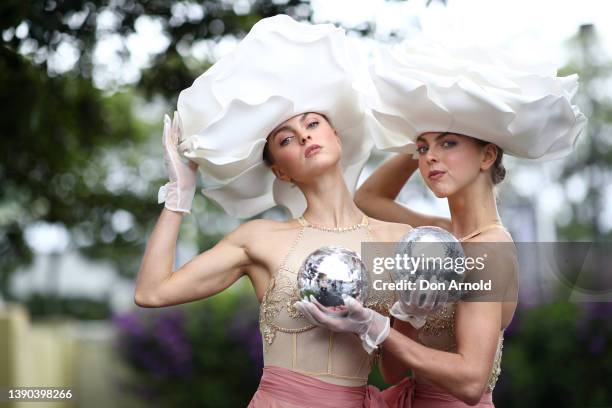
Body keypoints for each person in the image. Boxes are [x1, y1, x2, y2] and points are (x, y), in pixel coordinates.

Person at [295, 37, 586, 407]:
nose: (429, 158)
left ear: (487, 155)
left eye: (448, 144)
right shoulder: (440, 238)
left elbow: (469, 382)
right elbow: (395, 375)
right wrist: (404, 318)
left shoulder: (488, 247)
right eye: (422, 149)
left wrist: (376, 326)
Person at [134, 15, 409, 408]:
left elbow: (400, 371)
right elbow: (151, 292)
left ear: (337, 136)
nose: (304, 135)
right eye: (286, 138)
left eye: (313, 122)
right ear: (279, 170)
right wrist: (180, 194)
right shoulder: (259, 238)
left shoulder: (395, 239)